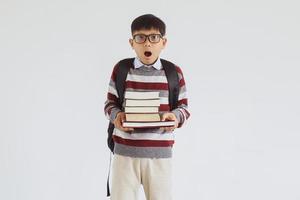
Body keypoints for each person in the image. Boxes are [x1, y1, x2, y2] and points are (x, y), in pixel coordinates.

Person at [104, 14, 190, 200]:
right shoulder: (122, 70)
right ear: (132, 42)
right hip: (124, 153)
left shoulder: (173, 73)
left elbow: (183, 107)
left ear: (163, 42)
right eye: (140, 38)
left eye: (154, 37)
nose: (147, 44)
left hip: (159, 155)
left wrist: (175, 117)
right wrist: (116, 116)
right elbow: (110, 104)